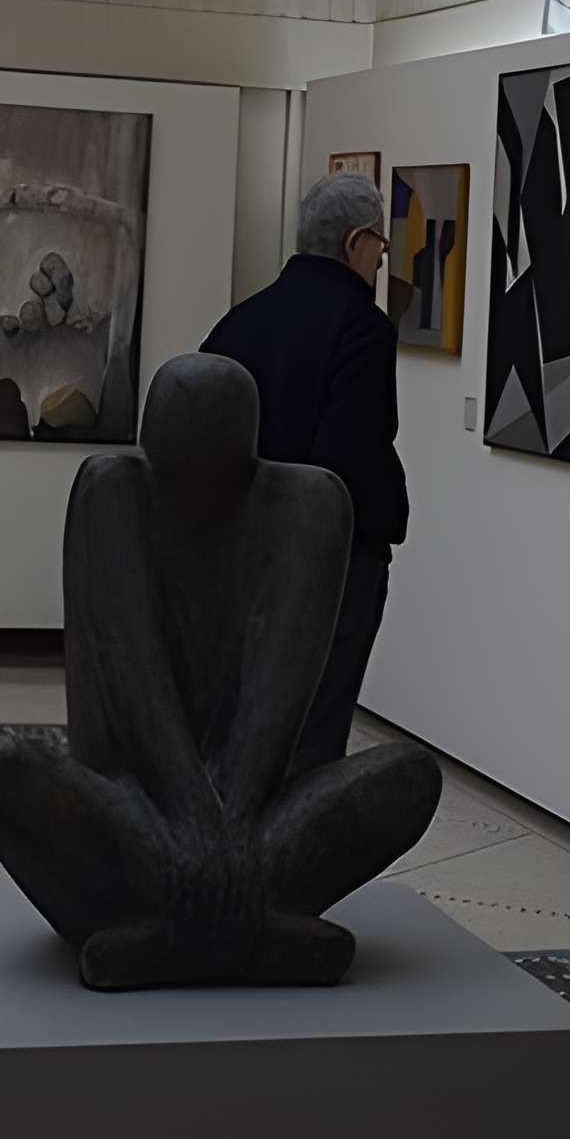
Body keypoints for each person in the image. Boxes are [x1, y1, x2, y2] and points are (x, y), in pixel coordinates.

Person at [200, 172, 406, 770]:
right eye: (381, 249)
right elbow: (352, 453)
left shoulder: (241, 321)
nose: (380, 262)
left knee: (245, 707)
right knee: (315, 720)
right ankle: (297, 852)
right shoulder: (361, 328)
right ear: (355, 242)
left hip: (241, 550)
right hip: (333, 557)